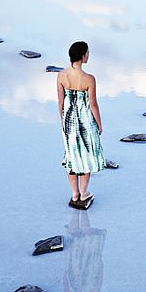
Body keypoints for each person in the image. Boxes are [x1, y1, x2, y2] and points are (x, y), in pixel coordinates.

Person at [57, 41, 105, 207]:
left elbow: (61, 102)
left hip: (68, 121)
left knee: (72, 156)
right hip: (85, 121)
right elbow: (93, 104)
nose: (88, 55)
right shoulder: (89, 79)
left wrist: (62, 122)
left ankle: (74, 193)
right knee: (86, 156)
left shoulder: (61, 75)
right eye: (87, 53)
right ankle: (84, 194)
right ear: (82, 56)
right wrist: (99, 123)